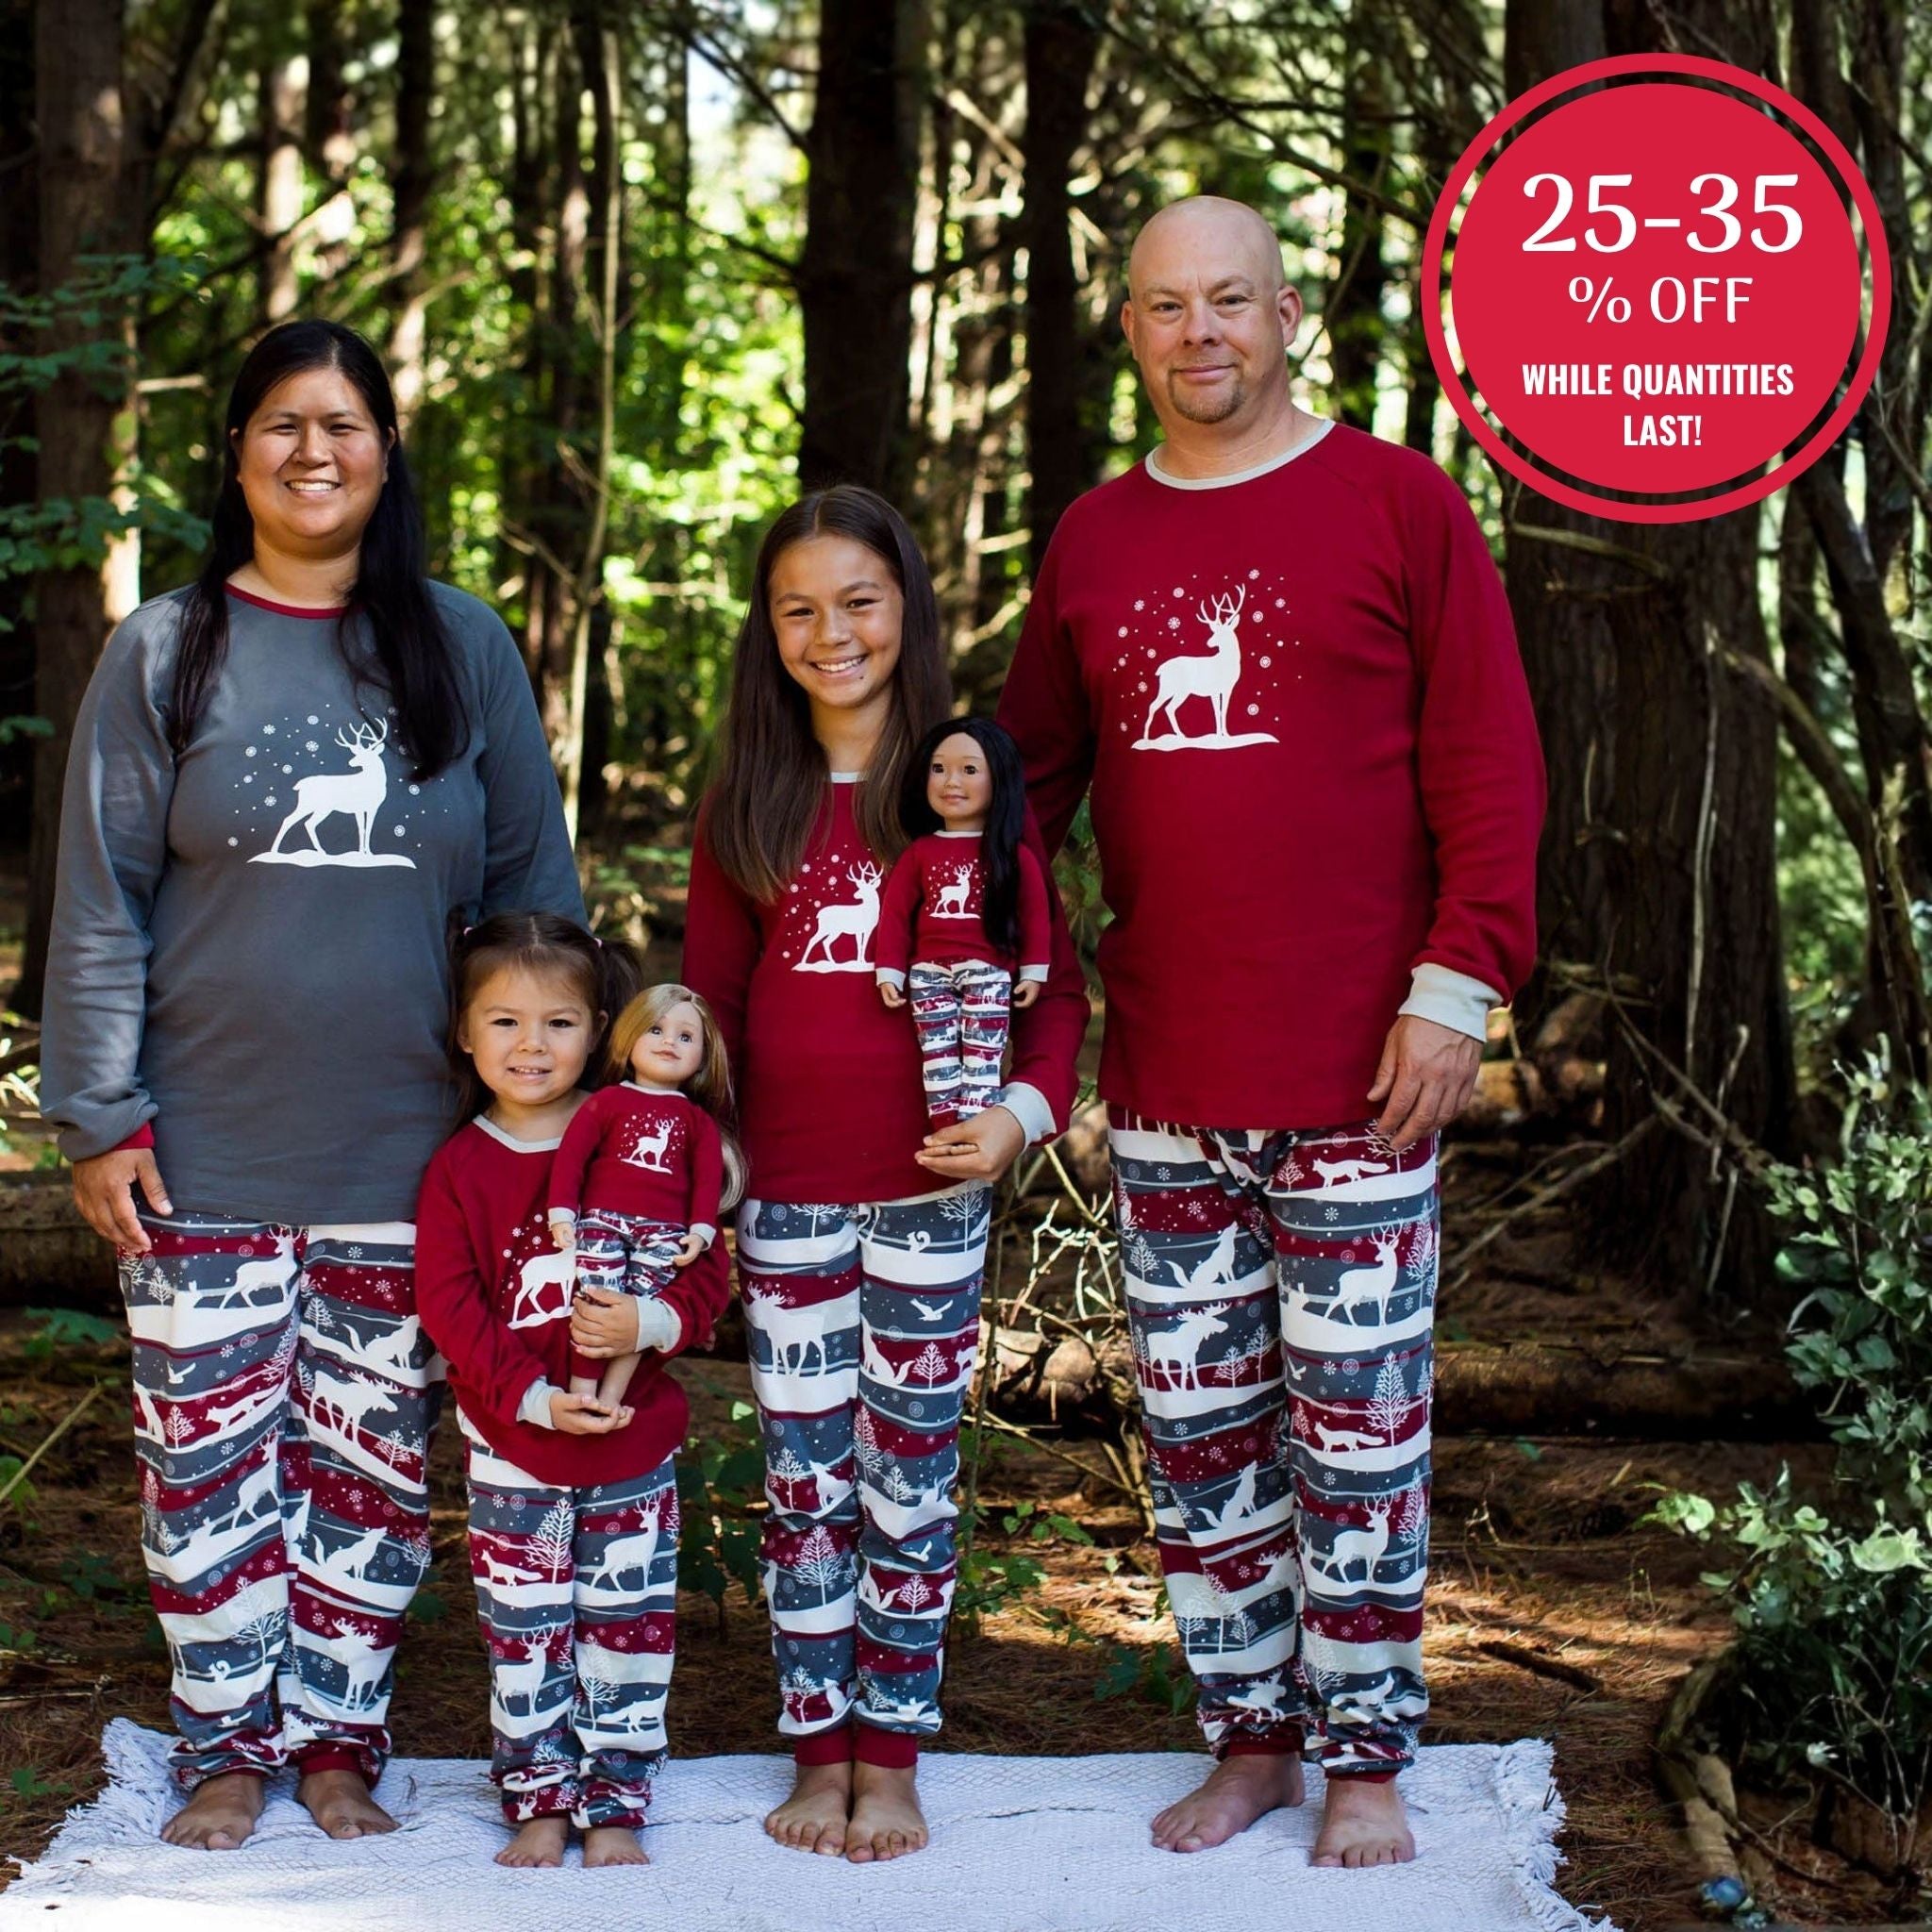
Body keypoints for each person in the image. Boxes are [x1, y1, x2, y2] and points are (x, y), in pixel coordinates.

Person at [998, 196, 1544, 1869]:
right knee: (1201, 1431)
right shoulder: (1091, 538)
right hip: (1166, 1080)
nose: (1198, 333)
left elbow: (1489, 768)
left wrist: (1454, 991)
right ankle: (1244, 1734)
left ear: (1286, 312)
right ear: (1131, 328)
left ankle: (1364, 1755)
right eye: (1164, 307)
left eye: (1228, 300)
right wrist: (983, 969)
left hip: (1360, 1080)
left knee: (1359, 1428)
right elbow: (1018, 791)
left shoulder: (1398, 499)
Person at [38, 320, 583, 1851]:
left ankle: (338, 1734)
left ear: (384, 451)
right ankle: (225, 1742)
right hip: (195, 1154)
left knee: (368, 1468)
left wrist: (536, 1114)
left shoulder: (457, 644)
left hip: (408, 1161)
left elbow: (534, 884)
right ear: (236, 454)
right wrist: (96, 1110)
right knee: (205, 1472)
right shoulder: (166, 648)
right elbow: (96, 903)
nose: (313, 450)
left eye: (342, 423)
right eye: (281, 423)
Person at [680, 486, 1086, 1862]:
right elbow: (713, 1014)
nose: (829, 631)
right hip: (786, 1196)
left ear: (906, 611)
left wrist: (1021, 1116)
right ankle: (817, 1744)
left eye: (857, 601)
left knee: (907, 1474)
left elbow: (1060, 997)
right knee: (802, 1480)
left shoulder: (969, 788)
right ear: (768, 632)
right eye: (798, 608)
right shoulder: (751, 798)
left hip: (928, 1192)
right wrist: (705, 1181)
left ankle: (894, 1751)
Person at [415, 917, 730, 1867]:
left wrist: (652, 1323)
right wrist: (529, 1396)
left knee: (626, 1628)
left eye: (557, 1022)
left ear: (600, 1030)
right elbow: (449, 1302)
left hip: (632, 1440)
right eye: (503, 1020)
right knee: (525, 1626)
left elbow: (704, 1269)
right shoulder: (460, 1166)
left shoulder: (643, 1133)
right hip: (515, 1444)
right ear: (465, 1034)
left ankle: (619, 1798)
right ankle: (539, 1794)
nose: (530, 1043)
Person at [546, 983, 739, 1413]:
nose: (669, 1041)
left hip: (664, 1233)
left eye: (686, 1037)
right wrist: (561, 1210)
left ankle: (613, 1396)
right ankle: (582, 1391)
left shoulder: (697, 1122)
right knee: (595, 1300)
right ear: (629, 1035)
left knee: (638, 1314)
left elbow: (707, 1181)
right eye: (655, 1029)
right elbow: (572, 1157)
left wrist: (701, 1230)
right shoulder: (607, 1103)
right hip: (601, 1223)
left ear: (704, 1057)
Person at [874, 716, 1051, 1127]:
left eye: (969, 770)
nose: (951, 781)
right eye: (939, 768)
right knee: (935, 1051)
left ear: (999, 779)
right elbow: (896, 914)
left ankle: (976, 1123)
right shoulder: (920, 853)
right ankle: (944, 1125)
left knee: (983, 1052)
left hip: (988, 971)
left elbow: (1035, 914)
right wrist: (889, 969)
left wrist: (1034, 970)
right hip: (929, 973)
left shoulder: (1011, 856)